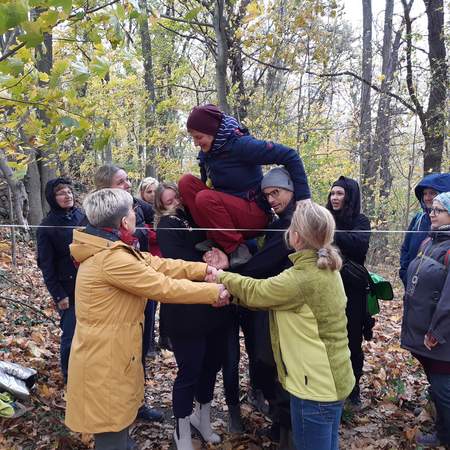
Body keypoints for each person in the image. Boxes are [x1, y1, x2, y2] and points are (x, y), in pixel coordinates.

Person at [65, 188, 229, 450]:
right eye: (132, 210)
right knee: (112, 437)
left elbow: (157, 264)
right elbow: (163, 286)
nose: (135, 214)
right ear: (123, 222)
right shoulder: (112, 259)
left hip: (112, 354)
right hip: (105, 361)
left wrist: (203, 270)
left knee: (118, 431)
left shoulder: (112, 248)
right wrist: (213, 291)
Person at [213, 202, 354, 450]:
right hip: (330, 380)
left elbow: (258, 291)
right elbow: (272, 298)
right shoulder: (325, 267)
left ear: (296, 236)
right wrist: (233, 294)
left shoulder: (301, 277)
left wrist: (220, 275)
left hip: (315, 389)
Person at [204, 167, 297, 447]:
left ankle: (288, 433)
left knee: (276, 366)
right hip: (267, 300)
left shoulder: (290, 223)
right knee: (267, 364)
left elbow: (266, 261)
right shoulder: (278, 220)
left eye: (276, 192)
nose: (272, 199)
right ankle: (281, 426)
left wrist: (230, 270)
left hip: (281, 305)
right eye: (267, 194)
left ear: (291, 189)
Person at [179, 103, 310, 267]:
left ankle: (237, 248)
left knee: (205, 198)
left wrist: (304, 197)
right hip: (226, 210)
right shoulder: (208, 153)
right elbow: (204, 186)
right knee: (186, 183)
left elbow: (290, 155)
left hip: (254, 212)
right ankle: (215, 238)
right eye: (193, 138)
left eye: (198, 137)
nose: (196, 143)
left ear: (212, 132)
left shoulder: (242, 145)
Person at [154, 183, 230, 449]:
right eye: (167, 201)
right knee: (190, 370)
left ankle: (203, 419)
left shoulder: (194, 217)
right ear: (160, 206)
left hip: (211, 306)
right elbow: (178, 261)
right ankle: (181, 430)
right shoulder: (166, 225)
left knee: (211, 365)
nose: (174, 203)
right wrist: (207, 262)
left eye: (176, 198)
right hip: (184, 309)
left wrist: (216, 254)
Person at [93, 164, 161, 421]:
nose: (128, 185)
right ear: (105, 186)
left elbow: (145, 238)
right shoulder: (93, 216)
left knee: (139, 351)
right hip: (112, 305)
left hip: (139, 291)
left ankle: (137, 403)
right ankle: (115, 416)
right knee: (115, 359)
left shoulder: (136, 208)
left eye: (128, 180)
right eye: (121, 181)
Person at [401, 192, 450, 448]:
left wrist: (436, 332)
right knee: (438, 388)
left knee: (444, 391)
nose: (432, 213)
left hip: (442, 338)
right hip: (425, 333)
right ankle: (443, 433)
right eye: (432, 209)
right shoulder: (428, 241)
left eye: (439, 210)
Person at [325, 176, 371, 406]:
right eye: (332, 193)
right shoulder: (324, 217)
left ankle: (353, 391)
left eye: (340, 193)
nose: (334, 197)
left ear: (349, 196)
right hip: (325, 289)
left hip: (353, 291)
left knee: (352, 339)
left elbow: (358, 244)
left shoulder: (360, 220)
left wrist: (329, 233)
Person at [36, 178, 84, 384]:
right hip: (67, 288)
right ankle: (69, 375)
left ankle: (86, 370)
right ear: (52, 198)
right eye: (61, 193)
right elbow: (46, 265)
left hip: (91, 282)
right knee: (71, 332)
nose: (68, 196)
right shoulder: (46, 227)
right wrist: (58, 294)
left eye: (69, 191)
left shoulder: (83, 216)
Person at [399, 173, 450, 287]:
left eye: (432, 193)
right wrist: (405, 274)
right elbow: (406, 249)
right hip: (413, 288)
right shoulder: (418, 220)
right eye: (425, 193)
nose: (427, 198)